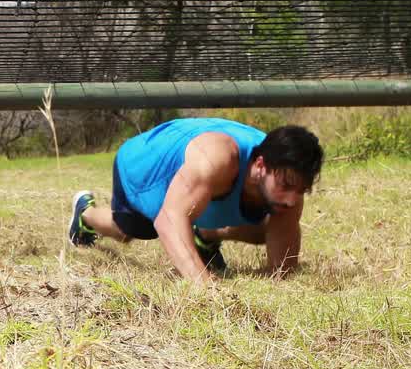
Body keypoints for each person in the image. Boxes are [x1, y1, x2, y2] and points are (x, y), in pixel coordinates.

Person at [67, 117, 323, 282]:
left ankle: (205, 235)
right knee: (131, 230)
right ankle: (84, 214)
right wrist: (204, 285)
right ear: (260, 165)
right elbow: (168, 220)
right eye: (286, 185)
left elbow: (282, 269)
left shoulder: (284, 180)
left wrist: (277, 277)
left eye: (300, 191)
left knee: (265, 226)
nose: (292, 199)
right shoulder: (216, 160)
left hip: (197, 182)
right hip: (142, 166)